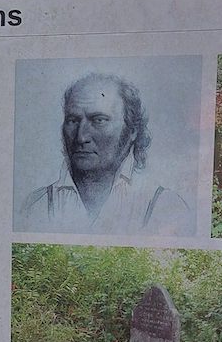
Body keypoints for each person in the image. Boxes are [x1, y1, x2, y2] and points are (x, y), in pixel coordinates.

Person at [18, 73, 191, 235]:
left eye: (99, 120)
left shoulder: (164, 207)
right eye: (73, 121)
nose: (81, 136)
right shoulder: (34, 206)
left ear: (131, 130)